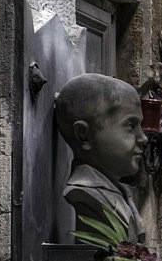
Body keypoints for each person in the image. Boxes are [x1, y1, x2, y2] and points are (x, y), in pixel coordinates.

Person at [53, 72, 148, 240]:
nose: (143, 138)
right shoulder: (85, 192)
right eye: (130, 125)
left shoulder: (121, 192)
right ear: (84, 135)